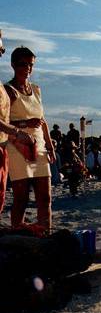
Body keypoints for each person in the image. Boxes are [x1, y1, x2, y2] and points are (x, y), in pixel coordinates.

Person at [4, 46, 55, 232]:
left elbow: (42, 121)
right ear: (13, 65)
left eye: (30, 65)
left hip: (39, 143)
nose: (27, 68)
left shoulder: (36, 89)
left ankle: (45, 233)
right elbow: (3, 122)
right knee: (21, 197)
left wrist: (50, 146)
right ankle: (17, 236)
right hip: (17, 145)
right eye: (23, 64)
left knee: (45, 197)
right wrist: (25, 124)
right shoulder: (7, 90)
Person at [0, 31, 35, 214]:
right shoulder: (7, 88)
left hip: (3, 145)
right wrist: (18, 131)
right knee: (19, 197)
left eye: (2, 50)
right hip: (9, 143)